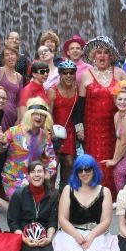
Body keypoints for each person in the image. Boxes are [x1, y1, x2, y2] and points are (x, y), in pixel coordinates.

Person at [74, 36, 126, 198]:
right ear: (93, 55)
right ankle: (95, 194)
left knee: (115, 159)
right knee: (94, 160)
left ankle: (114, 195)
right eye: (99, 52)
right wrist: (79, 127)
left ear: (110, 55)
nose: (102, 56)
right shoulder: (86, 75)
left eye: (106, 52)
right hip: (92, 128)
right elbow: (80, 105)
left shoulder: (119, 73)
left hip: (114, 127)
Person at [4, 160, 59, 251]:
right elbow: (13, 222)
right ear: (27, 176)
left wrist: (48, 238)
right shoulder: (18, 195)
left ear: (46, 174)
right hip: (21, 234)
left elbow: (53, 222)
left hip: (43, 236)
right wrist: (23, 238)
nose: (36, 175)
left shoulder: (53, 196)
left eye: (40, 171)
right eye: (33, 172)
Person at [0, 97, 57, 199]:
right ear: (29, 115)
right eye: (35, 113)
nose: (39, 117)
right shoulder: (14, 132)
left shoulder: (45, 137)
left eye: (42, 115)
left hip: (35, 179)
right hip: (13, 179)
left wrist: (47, 174)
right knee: (22, 206)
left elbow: (50, 159)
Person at [0, 46, 25, 194]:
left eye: (13, 54)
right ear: (3, 58)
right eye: (7, 55)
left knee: (10, 151)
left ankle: (9, 186)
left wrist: (19, 118)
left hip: (12, 118)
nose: (10, 57)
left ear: (17, 57)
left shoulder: (19, 77)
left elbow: (19, 99)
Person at [48, 60, 79, 188]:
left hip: (69, 130)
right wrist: (53, 135)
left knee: (69, 162)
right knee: (53, 164)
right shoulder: (52, 90)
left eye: (71, 73)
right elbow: (48, 114)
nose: (68, 76)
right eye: (65, 73)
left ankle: (64, 189)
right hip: (54, 129)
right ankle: (50, 194)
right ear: (60, 74)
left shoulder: (78, 89)